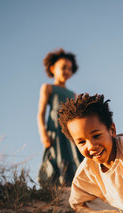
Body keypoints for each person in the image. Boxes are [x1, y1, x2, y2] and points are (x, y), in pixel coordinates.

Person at [37, 48, 83, 186]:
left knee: (74, 156)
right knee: (55, 156)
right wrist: (43, 133)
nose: (67, 71)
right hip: (55, 129)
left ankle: (78, 185)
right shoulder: (48, 88)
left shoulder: (73, 94)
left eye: (70, 69)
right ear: (52, 68)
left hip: (71, 130)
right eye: (63, 67)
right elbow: (41, 113)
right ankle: (56, 187)